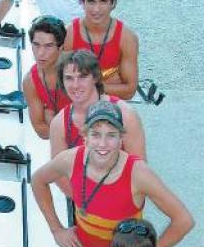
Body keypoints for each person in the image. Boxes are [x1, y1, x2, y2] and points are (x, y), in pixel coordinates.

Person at [31, 100, 194, 247]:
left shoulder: (138, 173)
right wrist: (57, 230)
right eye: (96, 134)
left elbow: (184, 221)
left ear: (121, 139)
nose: (102, 144)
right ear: (85, 136)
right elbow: (38, 180)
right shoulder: (71, 159)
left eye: (111, 135)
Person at [50, 50, 146, 190]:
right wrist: (87, 202)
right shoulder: (59, 124)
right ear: (62, 82)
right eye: (69, 78)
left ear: (95, 78)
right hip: (84, 202)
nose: (75, 85)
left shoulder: (126, 115)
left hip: (123, 199)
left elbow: (140, 170)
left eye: (82, 77)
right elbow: (59, 175)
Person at [63, 0, 138, 100]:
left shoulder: (126, 37)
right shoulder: (69, 34)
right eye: (91, 2)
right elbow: (61, 83)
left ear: (113, 3)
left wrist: (82, 83)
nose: (96, 9)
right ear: (81, 2)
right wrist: (109, 82)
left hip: (110, 108)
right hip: (75, 104)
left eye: (103, 2)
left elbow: (129, 91)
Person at [22, 16, 72, 139]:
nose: (40, 53)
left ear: (60, 48)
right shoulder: (30, 81)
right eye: (36, 45)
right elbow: (40, 129)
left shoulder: (78, 70)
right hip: (64, 139)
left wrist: (52, 120)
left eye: (48, 46)